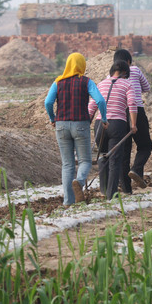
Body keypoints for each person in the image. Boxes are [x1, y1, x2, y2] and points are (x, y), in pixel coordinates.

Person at [45, 52, 108, 205]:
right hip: (81, 125)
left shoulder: (58, 82)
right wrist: (104, 119)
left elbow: (48, 102)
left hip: (61, 125)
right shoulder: (86, 82)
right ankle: (79, 183)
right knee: (85, 160)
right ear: (82, 66)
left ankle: (68, 202)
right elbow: (100, 100)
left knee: (67, 164)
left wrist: (53, 119)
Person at [88, 60, 138, 199]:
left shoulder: (101, 84)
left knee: (103, 156)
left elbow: (92, 105)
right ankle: (112, 194)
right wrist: (133, 124)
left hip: (100, 124)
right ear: (124, 72)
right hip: (118, 124)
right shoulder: (127, 84)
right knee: (114, 160)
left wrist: (87, 122)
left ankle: (103, 190)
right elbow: (132, 104)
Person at [113, 49, 152, 190]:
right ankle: (136, 169)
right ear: (129, 61)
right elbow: (146, 87)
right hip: (137, 111)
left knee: (125, 151)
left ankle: (126, 188)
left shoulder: (111, 76)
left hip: (120, 113)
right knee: (145, 145)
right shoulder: (134, 70)